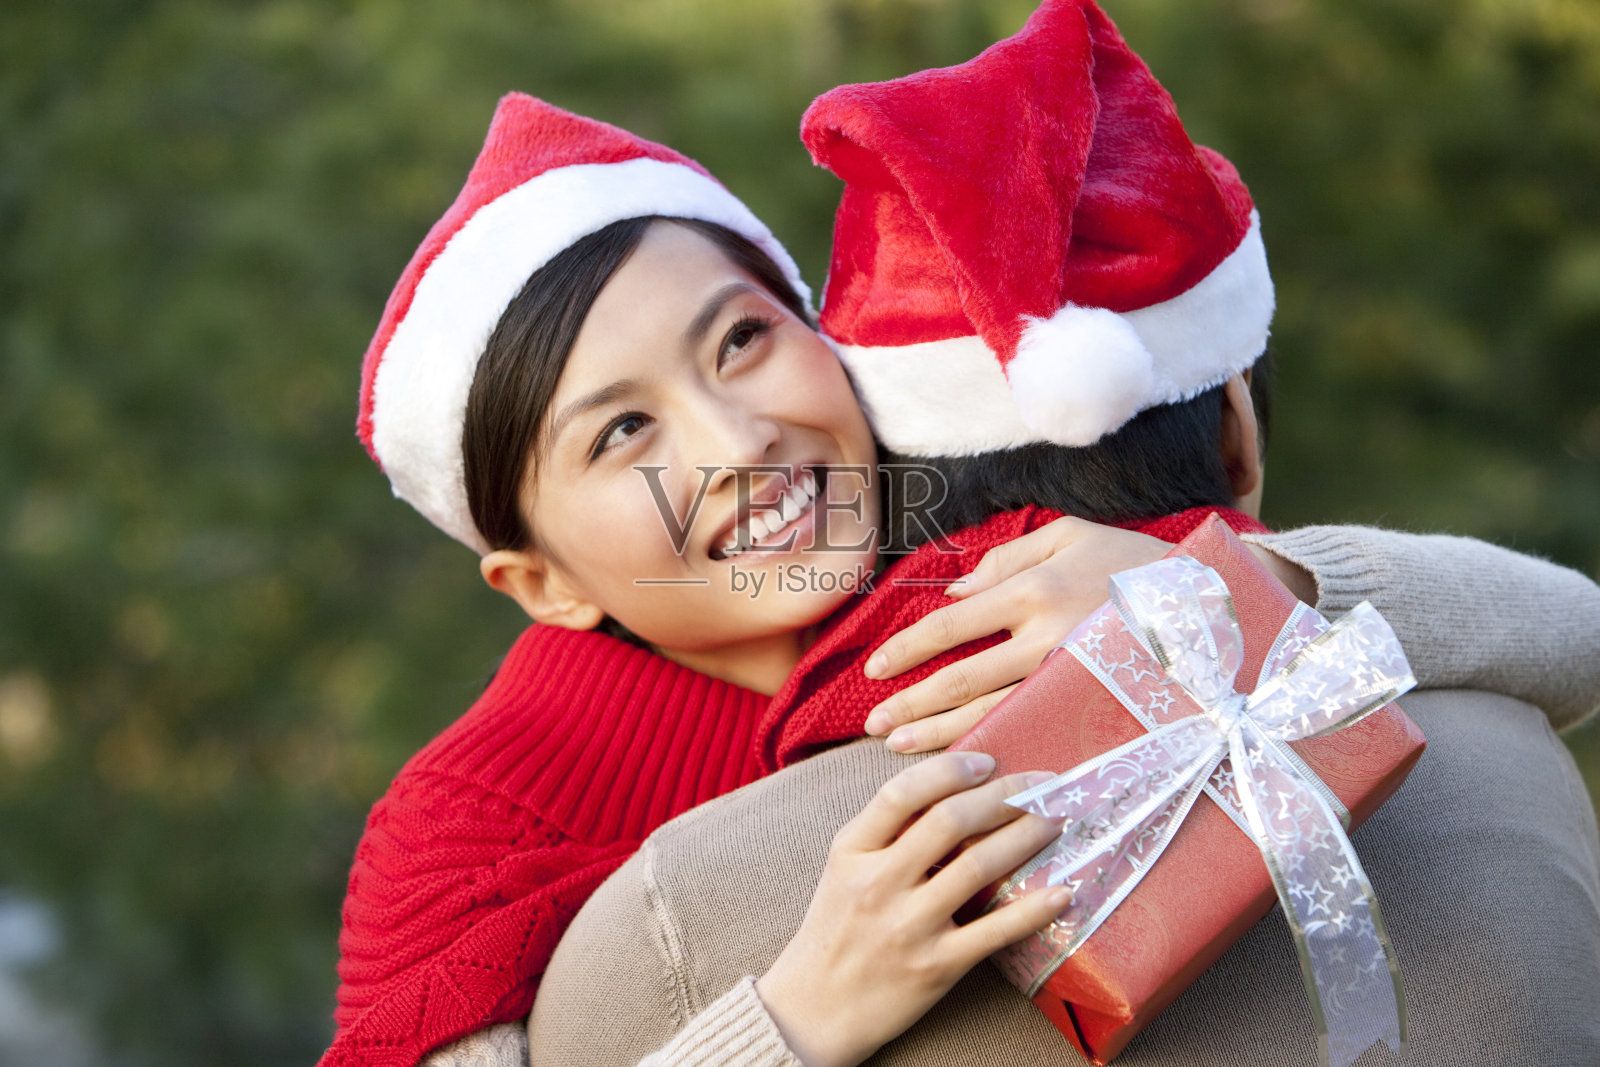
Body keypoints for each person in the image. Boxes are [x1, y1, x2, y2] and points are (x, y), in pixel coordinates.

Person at [327, 13, 1600, 1065]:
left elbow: (1575, 638)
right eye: (620, 436)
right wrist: (797, 1012)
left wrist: (1226, 581)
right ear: (536, 579)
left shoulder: (978, 564)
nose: (735, 440)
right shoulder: (467, 827)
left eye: (740, 339)